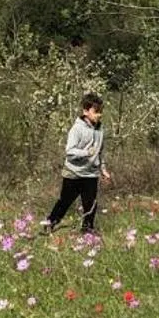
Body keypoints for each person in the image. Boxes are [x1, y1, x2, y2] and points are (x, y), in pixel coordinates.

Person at [42, 92, 110, 238]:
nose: (99, 115)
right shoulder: (77, 129)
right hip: (73, 172)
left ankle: (87, 231)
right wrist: (86, 153)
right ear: (85, 111)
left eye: (101, 111)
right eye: (96, 111)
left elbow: (100, 151)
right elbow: (70, 151)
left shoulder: (100, 129)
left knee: (90, 204)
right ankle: (50, 223)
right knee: (65, 202)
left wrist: (103, 169)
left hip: (91, 173)